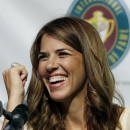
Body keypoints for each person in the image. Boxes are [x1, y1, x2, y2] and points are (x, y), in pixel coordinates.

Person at [2, 16, 130, 130]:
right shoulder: (29, 126)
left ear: (89, 60)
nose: (50, 65)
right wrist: (15, 97)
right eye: (43, 57)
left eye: (63, 54)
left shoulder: (125, 122)